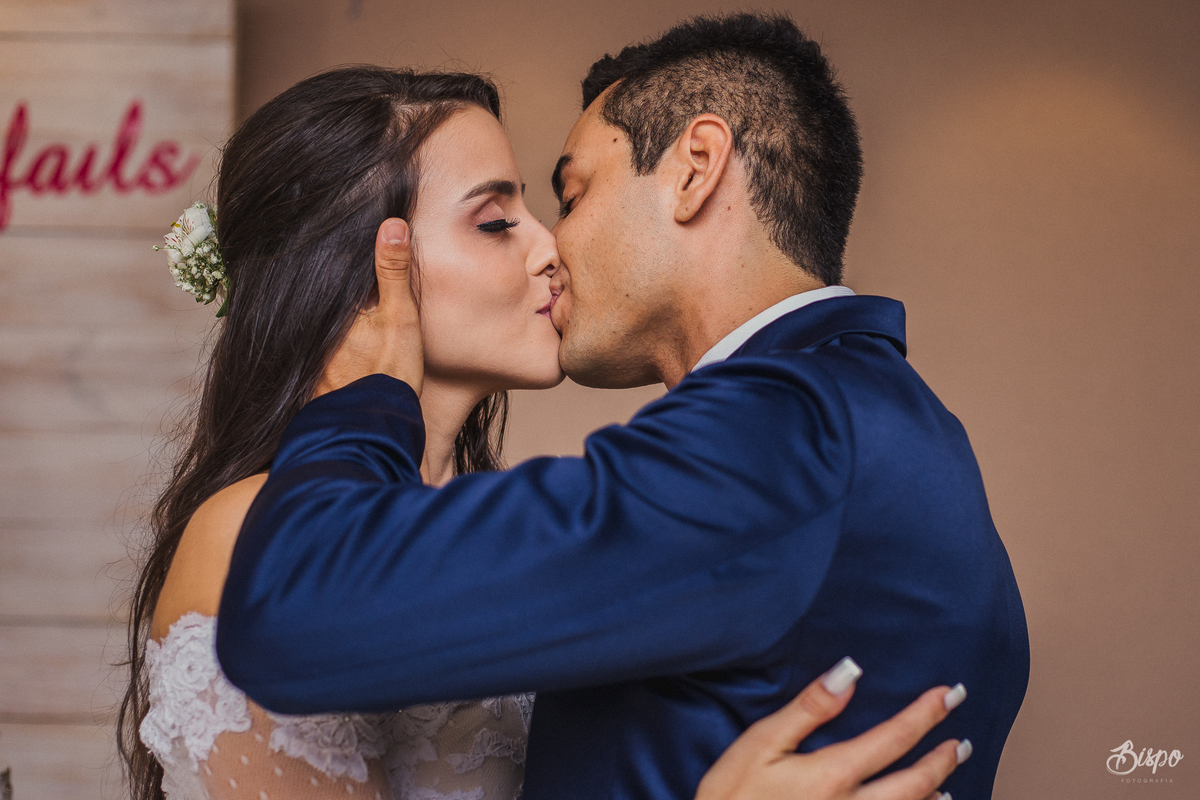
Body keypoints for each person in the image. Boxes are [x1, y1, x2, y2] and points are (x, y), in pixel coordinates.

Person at [217, 12, 1030, 800]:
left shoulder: (782, 435)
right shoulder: (883, 421)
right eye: (502, 219)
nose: (552, 246)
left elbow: (289, 606)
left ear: (695, 166)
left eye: (570, 196)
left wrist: (368, 396)